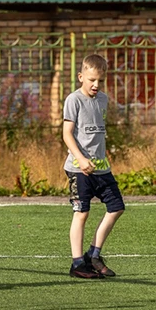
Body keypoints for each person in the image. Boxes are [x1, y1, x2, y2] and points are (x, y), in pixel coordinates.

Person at [62, 54, 125, 279]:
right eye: (91, 80)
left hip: (101, 168)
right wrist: (81, 158)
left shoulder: (103, 100)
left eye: (99, 80)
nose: (96, 85)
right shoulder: (73, 100)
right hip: (78, 169)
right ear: (81, 77)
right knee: (82, 212)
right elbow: (67, 134)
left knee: (116, 207)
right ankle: (78, 263)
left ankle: (94, 255)